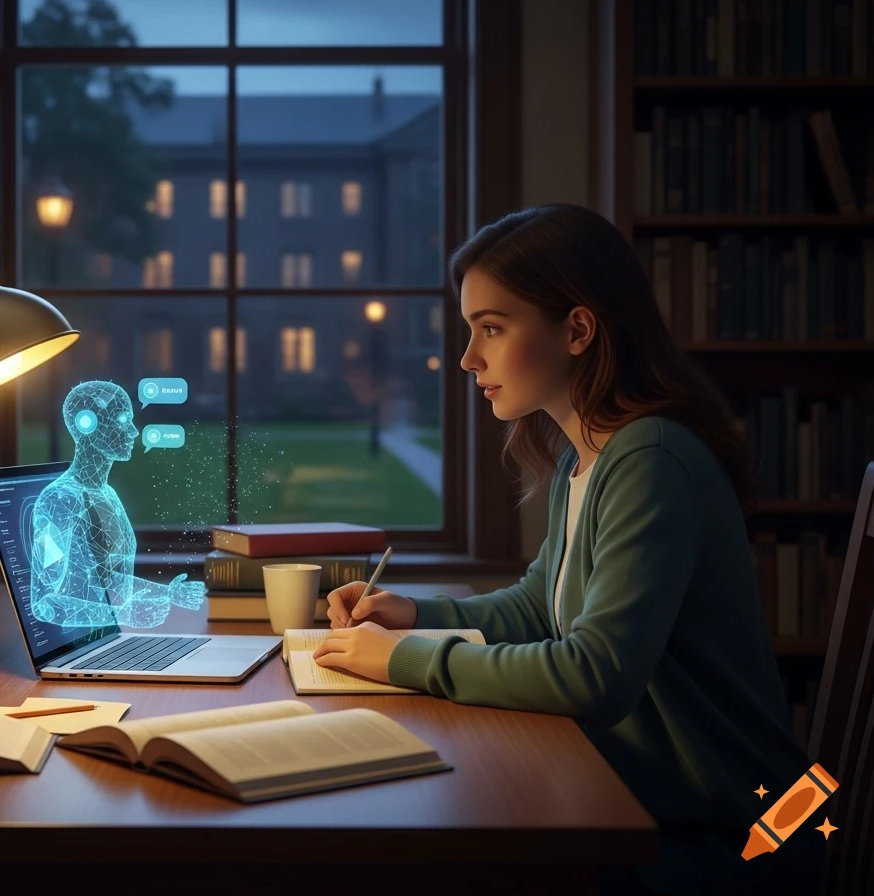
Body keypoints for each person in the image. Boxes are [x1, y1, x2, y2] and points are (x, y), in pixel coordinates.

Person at [312, 205, 824, 895]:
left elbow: (596, 675)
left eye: (491, 328)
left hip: (733, 836)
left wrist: (408, 661)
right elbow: (538, 607)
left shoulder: (651, 459)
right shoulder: (583, 457)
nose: (468, 358)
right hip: (651, 802)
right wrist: (410, 612)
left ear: (577, 329)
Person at [29, 380, 205, 629]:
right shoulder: (59, 499)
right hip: (82, 645)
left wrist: (167, 593)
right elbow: (44, 603)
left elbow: (101, 576)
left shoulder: (107, 493)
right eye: (122, 421)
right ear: (86, 424)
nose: (133, 431)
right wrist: (123, 615)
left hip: (115, 639)